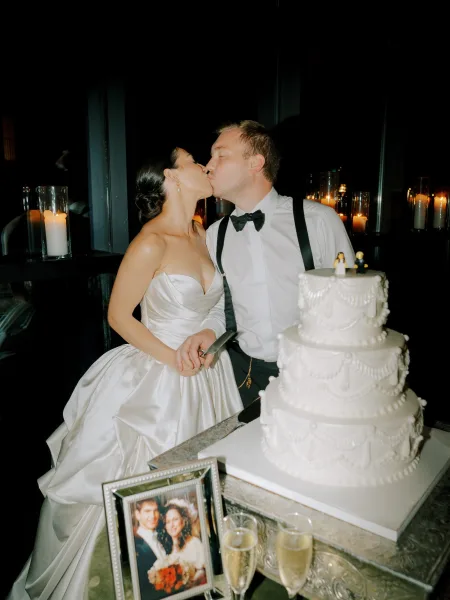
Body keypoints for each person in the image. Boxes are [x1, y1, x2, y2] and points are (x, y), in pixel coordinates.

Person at [7, 142, 242, 600]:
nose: (202, 166)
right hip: (158, 381)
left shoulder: (201, 231)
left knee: (204, 496)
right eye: (193, 161)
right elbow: (118, 316)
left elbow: (216, 307)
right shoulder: (150, 242)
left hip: (209, 375)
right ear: (171, 178)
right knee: (157, 498)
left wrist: (208, 339)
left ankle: (193, 583)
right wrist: (172, 356)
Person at [176, 120, 355, 409]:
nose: (208, 166)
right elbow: (223, 306)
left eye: (221, 155)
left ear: (255, 163)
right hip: (246, 377)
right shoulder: (215, 235)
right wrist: (208, 332)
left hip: (318, 374)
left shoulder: (318, 220)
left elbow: (352, 303)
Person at [150, 499, 206, 592]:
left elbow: (203, 571)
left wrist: (191, 585)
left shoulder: (194, 543)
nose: (172, 525)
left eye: (175, 519)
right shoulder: (166, 549)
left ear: (183, 521)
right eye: (168, 522)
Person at [134, 498, 167, 600]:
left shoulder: (163, 537)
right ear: (138, 514)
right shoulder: (134, 544)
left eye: (155, 510)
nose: (153, 516)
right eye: (147, 511)